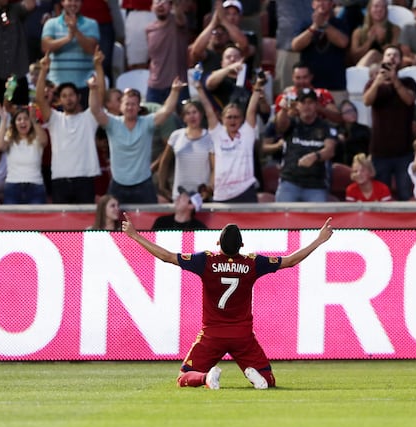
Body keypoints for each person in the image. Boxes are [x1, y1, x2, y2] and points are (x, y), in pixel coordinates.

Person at [121, 213, 334, 389]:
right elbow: (290, 261)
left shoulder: (206, 260)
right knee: (269, 381)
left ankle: (206, 378)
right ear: (241, 245)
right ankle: (255, 375)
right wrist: (319, 239)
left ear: (217, 243)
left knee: (184, 377)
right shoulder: (253, 263)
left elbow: (167, 256)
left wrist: (135, 235)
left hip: (212, 335)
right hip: (243, 336)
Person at [88, 47, 182, 204]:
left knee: (148, 226)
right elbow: (95, 110)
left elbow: (165, 111)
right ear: (121, 107)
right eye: (127, 104)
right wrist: (92, 89)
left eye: (134, 104)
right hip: (118, 184)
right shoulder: (112, 123)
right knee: (114, 225)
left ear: (139, 107)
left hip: (143, 184)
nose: (130, 107)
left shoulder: (146, 123)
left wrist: (174, 91)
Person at [36, 52, 100, 204]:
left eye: (71, 95)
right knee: (63, 227)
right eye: (64, 96)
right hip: (60, 180)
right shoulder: (55, 119)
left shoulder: (89, 118)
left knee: (86, 225)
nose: (68, 98)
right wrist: (43, 70)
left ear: (78, 97)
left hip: (85, 179)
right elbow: (39, 98)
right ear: (59, 100)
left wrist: (98, 68)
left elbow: (100, 97)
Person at [195, 72, 260, 203]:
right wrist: (200, 89)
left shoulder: (247, 133)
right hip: (221, 194)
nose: (232, 120)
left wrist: (257, 89)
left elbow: (251, 110)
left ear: (242, 119)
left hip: (245, 191)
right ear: (222, 119)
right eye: (229, 117)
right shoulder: (217, 134)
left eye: (236, 117)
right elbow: (208, 110)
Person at [364, 45, 416, 201]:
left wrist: (395, 81)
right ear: (383, 59)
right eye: (388, 55)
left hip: (404, 152)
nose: (392, 58)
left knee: (405, 195)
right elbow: (367, 101)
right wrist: (377, 82)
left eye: (395, 55)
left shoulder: (408, 82)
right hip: (380, 153)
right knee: (382, 197)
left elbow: (409, 100)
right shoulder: (373, 84)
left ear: (401, 60)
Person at [274, 87, 337, 202]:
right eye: (303, 102)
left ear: (316, 105)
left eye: (310, 102)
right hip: (290, 182)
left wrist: (315, 156)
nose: (306, 106)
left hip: (315, 185)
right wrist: (283, 110)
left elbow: (330, 150)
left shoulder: (325, 126)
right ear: (297, 105)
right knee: (282, 216)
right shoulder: (292, 123)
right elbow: (280, 126)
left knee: (318, 218)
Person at [290, 0, 350, 103]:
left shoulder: (340, 23)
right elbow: (295, 46)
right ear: (313, 4)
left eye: (325, 0)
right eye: (318, 0)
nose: (321, 3)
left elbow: (343, 42)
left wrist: (324, 25)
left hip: (335, 87)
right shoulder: (305, 24)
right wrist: (314, 27)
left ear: (332, 4)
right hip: (310, 88)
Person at [156, 99, 214, 202]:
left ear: (201, 115)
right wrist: (162, 186)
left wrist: (209, 189)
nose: (192, 116)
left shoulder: (210, 137)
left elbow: (215, 168)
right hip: (179, 195)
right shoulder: (176, 135)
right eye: (188, 113)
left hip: (201, 196)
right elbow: (164, 162)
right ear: (183, 118)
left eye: (194, 112)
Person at [41, 0, 99, 101]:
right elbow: (46, 47)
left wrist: (75, 30)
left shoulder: (91, 24)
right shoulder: (51, 24)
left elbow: (91, 49)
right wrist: (68, 38)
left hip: (84, 86)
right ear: (62, 2)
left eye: (77, 1)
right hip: (56, 86)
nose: (73, 4)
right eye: (70, 0)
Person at [0, 101, 48, 204]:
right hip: (12, 187)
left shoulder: (37, 138)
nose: (23, 122)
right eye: (19, 119)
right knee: (12, 220)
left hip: (35, 187)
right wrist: (4, 120)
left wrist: (34, 120)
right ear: (14, 123)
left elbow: (44, 140)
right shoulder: (9, 139)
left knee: (37, 220)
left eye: (26, 119)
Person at [145, 0, 190, 104]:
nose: (160, 4)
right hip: (154, 87)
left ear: (171, 6)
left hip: (177, 85)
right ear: (152, 6)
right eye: (157, 2)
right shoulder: (149, 29)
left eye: (164, 1)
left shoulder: (177, 22)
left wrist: (176, 4)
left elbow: (180, 15)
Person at [349, 0, 400, 68]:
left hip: (386, 65)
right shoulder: (358, 32)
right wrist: (369, 41)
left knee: (374, 53)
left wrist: (381, 41)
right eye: (376, 6)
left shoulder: (395, 29)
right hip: (363, 65)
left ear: (386, 10)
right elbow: (354, 57)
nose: (379, 9)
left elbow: (394, 53)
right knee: (372, 53)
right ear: (370, 9)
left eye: (383, 7)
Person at [335, 99, 370, 166]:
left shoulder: (364, 130)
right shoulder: (337, 130)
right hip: (341, 165)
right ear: (341, 114)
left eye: (354, 110)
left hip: (360, 165)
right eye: (348, 111)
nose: (352, 113)